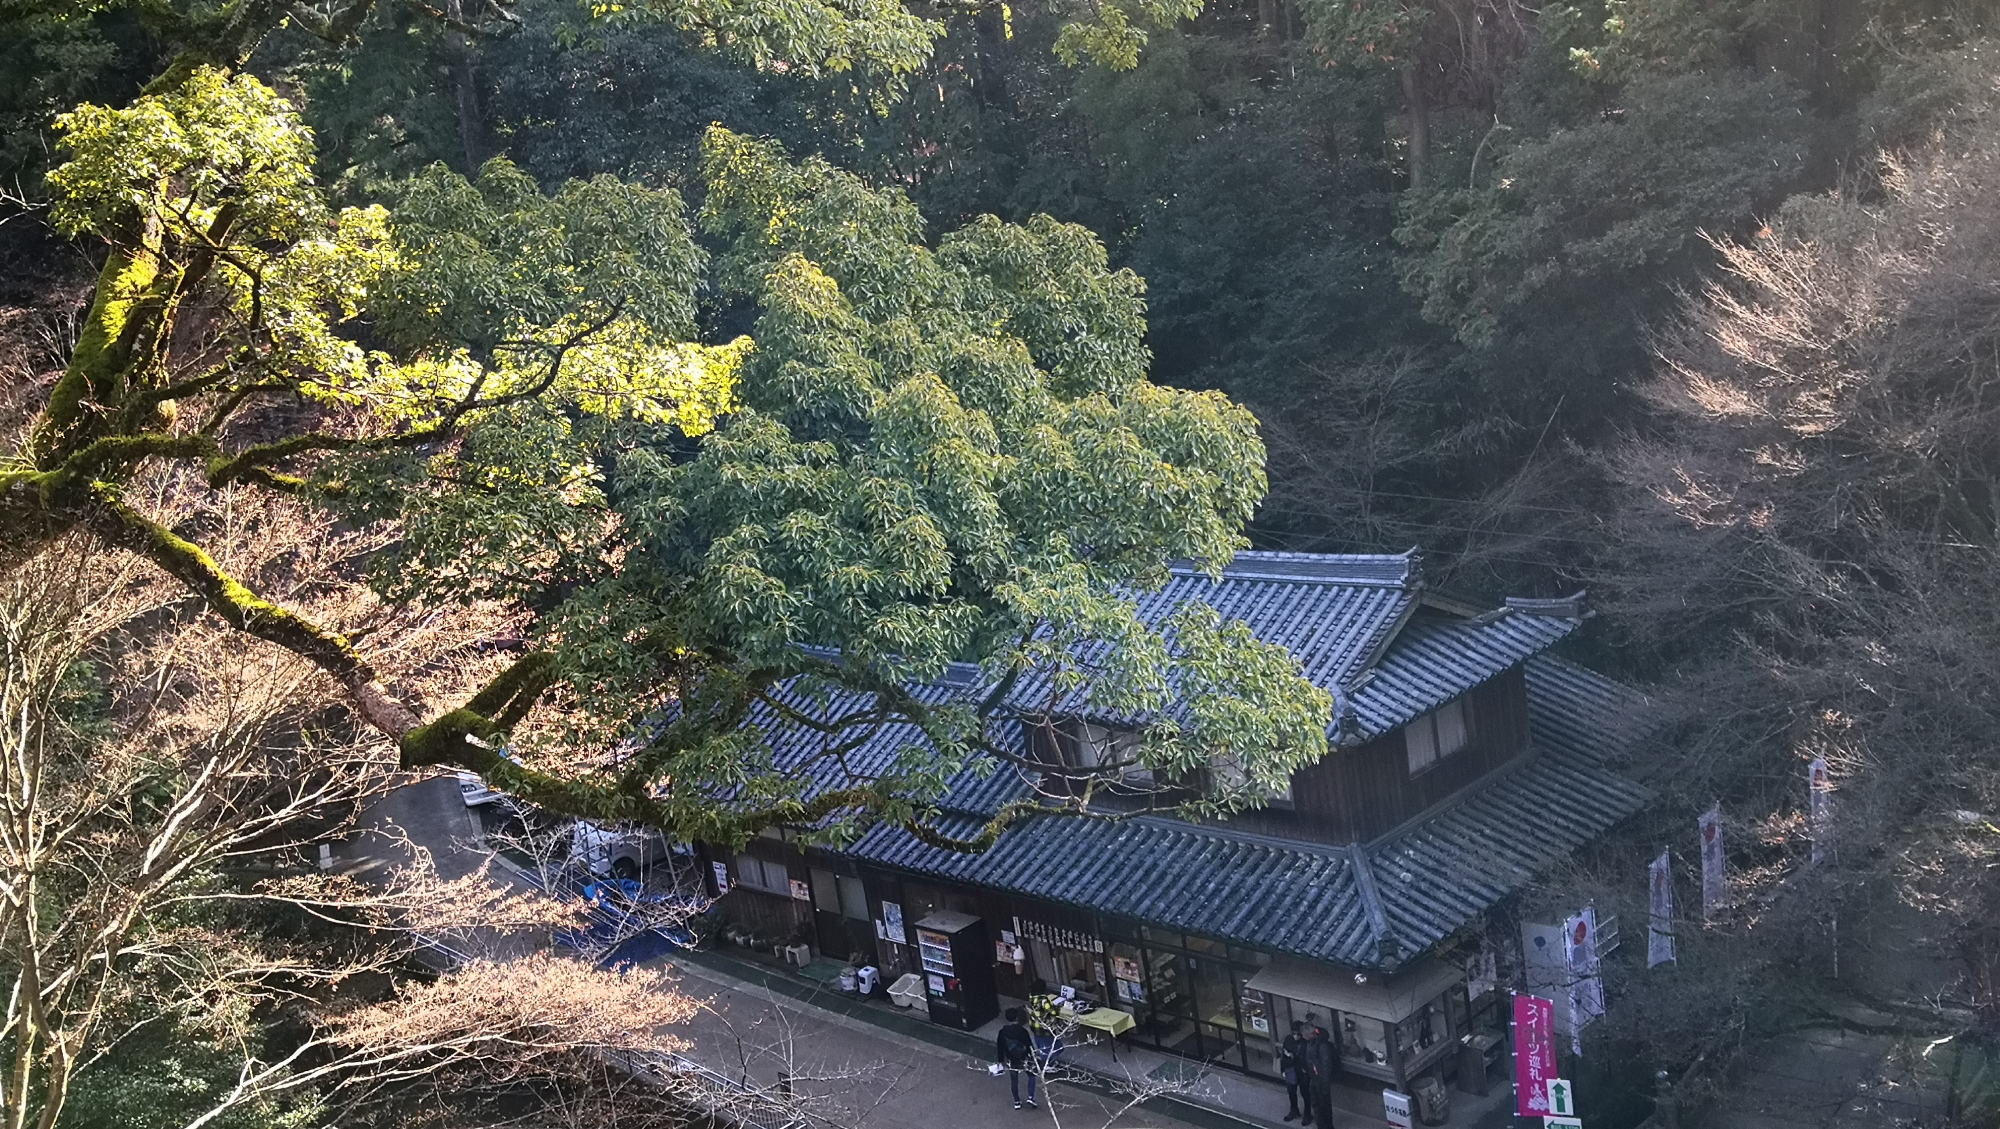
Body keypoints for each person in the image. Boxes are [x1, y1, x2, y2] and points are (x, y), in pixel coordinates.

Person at [997, 1007, 1038, 1109]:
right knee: (1031, 1075)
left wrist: (1001, 1060)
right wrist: (1033, 1056)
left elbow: (1000, 1047)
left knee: (1014, 1080)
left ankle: (1017, 1101)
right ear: (1017, 1017)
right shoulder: (1022, 1031)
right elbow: (1029, 1044)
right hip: (1024, 1057)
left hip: (1011, 1059)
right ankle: (1031, 1097)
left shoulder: (1002, 1032)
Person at [1304, 1022, 1338, 1128]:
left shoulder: (1322, 1045)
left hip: (1320, 1080)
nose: (1304, 1037)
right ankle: (1321, 1125)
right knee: (1316, 1104)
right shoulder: (1312, 1042)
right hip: (1314, 1077)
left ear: (1310, 1034)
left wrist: (1325, 1085)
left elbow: (1326, 1067)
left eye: (1305, 1035)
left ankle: (1327, 1126)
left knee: (1324, 1106)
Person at [1280, 1020, 1310, 1122]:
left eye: (1298, 1034)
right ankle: (1294, 1110)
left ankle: (1307, 1113)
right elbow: (1284, 1056)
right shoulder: (1288, 1040)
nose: (1296, 1036)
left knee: (1305, 1092)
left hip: (1302, 1071)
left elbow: (1307, 1058)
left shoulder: (1306, 1042)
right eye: (1294, 1034)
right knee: (1291, 1091)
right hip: (1291, 1069)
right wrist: (1283, 1069)